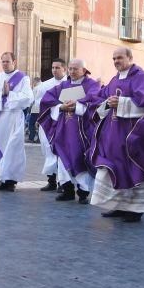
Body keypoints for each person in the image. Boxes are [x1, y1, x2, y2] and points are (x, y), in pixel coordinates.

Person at [88, 47, 144, 222]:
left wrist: (121, 103)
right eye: (114, 58)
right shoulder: (114, 80)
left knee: (133, 169)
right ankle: (118, 205)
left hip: (132, 135)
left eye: (120, 58)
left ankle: (136, 209)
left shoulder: (141, 78)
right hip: (113, 135)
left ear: (130, 58)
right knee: (115, 168)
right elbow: (101, 99)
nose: (116, 61)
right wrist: (108, 103)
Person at [38, 58, 101, 203]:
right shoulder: (63, 85)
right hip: (63, 129)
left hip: (83, 131)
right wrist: (60, 107)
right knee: (62, 156)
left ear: (84, 70)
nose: (72, 72)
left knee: (80, 158)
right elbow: (47, 100)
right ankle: (67, 190)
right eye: (70, 69)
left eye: (75, 69)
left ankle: (83, 192)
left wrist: (77, 107)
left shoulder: (92, 85)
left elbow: (96, 101)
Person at [0, 52, 33, 192]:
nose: (5, 64)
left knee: (13, 148)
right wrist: (1, 94)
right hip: (0, 117)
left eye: (7, 61)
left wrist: (9, 94)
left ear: (14, 61)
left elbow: (28, 98)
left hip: (14, 117)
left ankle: (11, 180)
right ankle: (3, 178)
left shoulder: (23, 78)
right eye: (3, 62)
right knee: (1, 146)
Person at [34, 59, 67, 191]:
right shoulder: (45, 85)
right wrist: (38, 119)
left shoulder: (70, 84)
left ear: (64, 69)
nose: (54, 70)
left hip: (63, 122)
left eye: (57, 68)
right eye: (53, 67)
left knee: (61, 151)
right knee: (48, 150)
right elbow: (38, 103)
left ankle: (63, 182)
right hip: (47, 122)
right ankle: (51, 180)